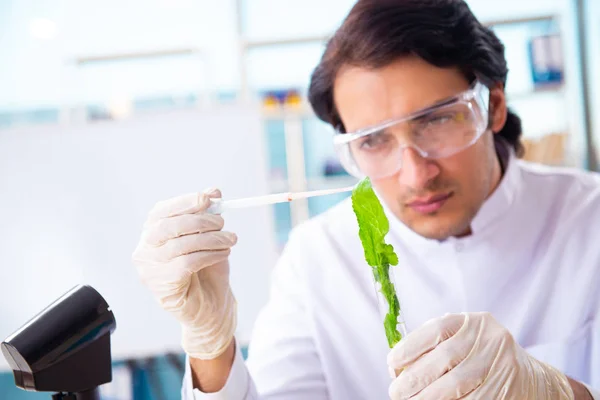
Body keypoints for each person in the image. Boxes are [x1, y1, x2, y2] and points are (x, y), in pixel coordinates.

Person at [132, 0, 600, 398]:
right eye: (375, 142)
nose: (416, 174)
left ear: (493, 106)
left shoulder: (590, 219)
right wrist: (211, 346)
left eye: (437, 121)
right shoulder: (315, 259)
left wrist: (559, 392)